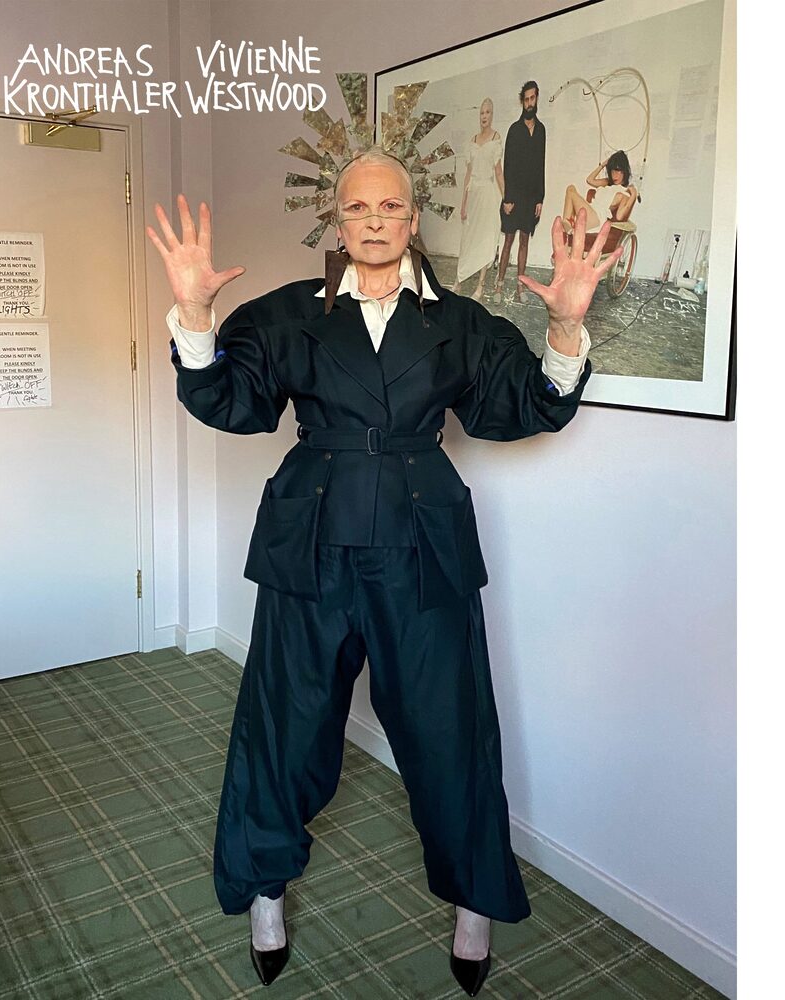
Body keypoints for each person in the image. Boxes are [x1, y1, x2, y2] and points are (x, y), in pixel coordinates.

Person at [147, 147, 623, 996]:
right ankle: (264, 887)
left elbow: (529, 406)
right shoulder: (289, 313)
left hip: (424, 542)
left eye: (390, 207)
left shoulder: (460, 321)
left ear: (412, 217)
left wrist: (564, 328)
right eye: (358, 208)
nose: (374, 222)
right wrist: (192, 313)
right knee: (286, 720)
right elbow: (228, 401)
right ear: (337, 220)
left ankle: (473, 900)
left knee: (449, 726)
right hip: (309, 538)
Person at [494, 80, 546, 305]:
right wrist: (507, 198)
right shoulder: (514, 130)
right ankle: (499, 284)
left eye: (532, 98)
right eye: (526, 99)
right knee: (508, 241)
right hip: (513, 198)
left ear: (537, 98)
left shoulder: (541, 130)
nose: (529, 103)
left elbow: (541, 165)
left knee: (525, 241)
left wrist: (540, 198)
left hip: (531, 197)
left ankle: (520, 287)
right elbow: (508, 166)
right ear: (522, 102)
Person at [451, 98, 504, 301]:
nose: (484, 116)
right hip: (473, 195)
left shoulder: (496, 138)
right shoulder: (472, 141)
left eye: (488, 112)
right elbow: (468, 174)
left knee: (485, 239)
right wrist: (463, 203)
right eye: (482, 112)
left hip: (488, 195)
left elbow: (498, 173)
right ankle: (458, 280)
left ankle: (480, 286)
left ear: (492, 115)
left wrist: (506, 198)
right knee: (467, 239)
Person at [563, 150, 637, 233]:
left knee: (571, 191)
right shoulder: (607, 183)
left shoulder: (624, 193)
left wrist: (633, 195)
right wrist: (603, 165)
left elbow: (619, 217)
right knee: (571, 188)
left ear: (624, 171)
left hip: (596, 220)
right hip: (591, 211)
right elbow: (589, 180)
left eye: (617, 170)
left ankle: (567, 224)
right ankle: (568, 224)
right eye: (612, 171)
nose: (614, 175)